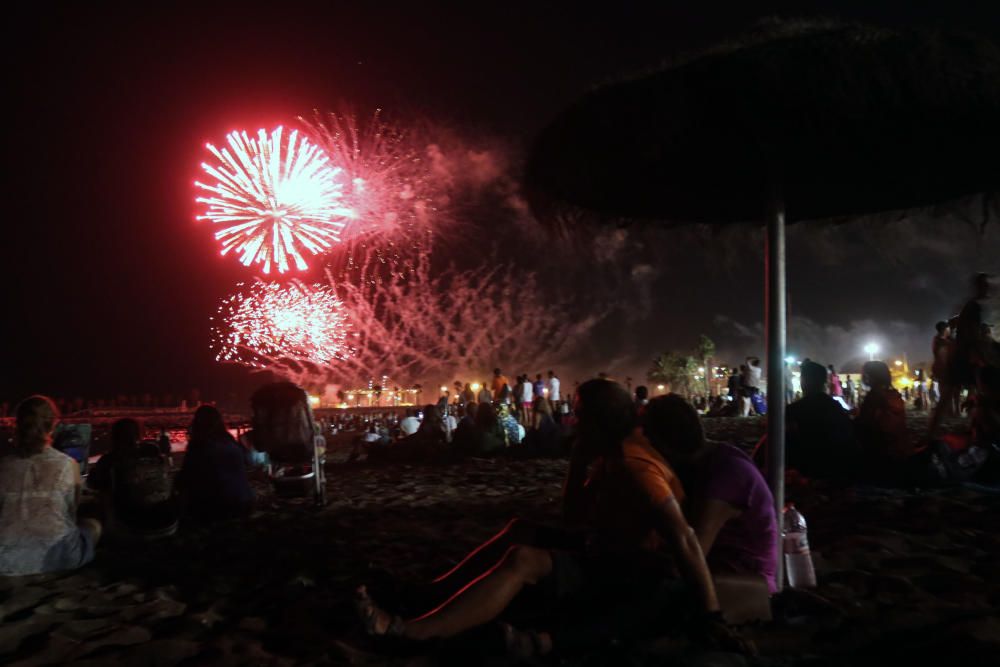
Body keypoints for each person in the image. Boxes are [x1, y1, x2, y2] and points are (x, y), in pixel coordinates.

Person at [356, 379, 737, 657]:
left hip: (635, 568)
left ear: (598, 420)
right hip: (609, 549)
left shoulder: (634, 463)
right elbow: (573, 515)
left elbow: (683, 537)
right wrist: (578, 459)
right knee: (521, 529)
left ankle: (411, 632)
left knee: (524, 559)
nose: (571, 419)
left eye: (580, 413)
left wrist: (711, 613)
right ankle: (428, 596)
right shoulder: (610, 454)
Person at [643, 395, 778, 594]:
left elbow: (692, 554)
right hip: (719, 575)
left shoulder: (726, 474)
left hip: (743, 586)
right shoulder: (709, 460)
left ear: (663, 444)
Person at [0, 396, 102, 575]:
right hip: (60, 557)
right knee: (94, 525)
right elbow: (71, 513)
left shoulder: (4, 465)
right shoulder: (68, 465)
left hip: (6, 559)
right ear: (53, 426)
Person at [88, 418, 178, 537]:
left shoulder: (110, 460)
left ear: (113, 437)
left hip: (132, 527)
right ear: (138, 435)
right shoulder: (154, 452)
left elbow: (92, 485)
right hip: (169, 523)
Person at [176, 405, 254, 520]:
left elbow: (185, 478)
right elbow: (246, 463)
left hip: (221, 507)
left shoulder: (200, 445)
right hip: (246, 502)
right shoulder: (229, 440)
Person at [784, 361, 858, 482]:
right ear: (825, 382)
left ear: (803, 381)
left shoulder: (794, 410)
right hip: (837, 467)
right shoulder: (836, 408)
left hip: (808, 467)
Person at [855, 361, 911, 479]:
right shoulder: (894, 395)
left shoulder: (874, 396)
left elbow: (865, 425)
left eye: (864, 374)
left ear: (870, 376)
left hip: (879, 453)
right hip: (899, 450)